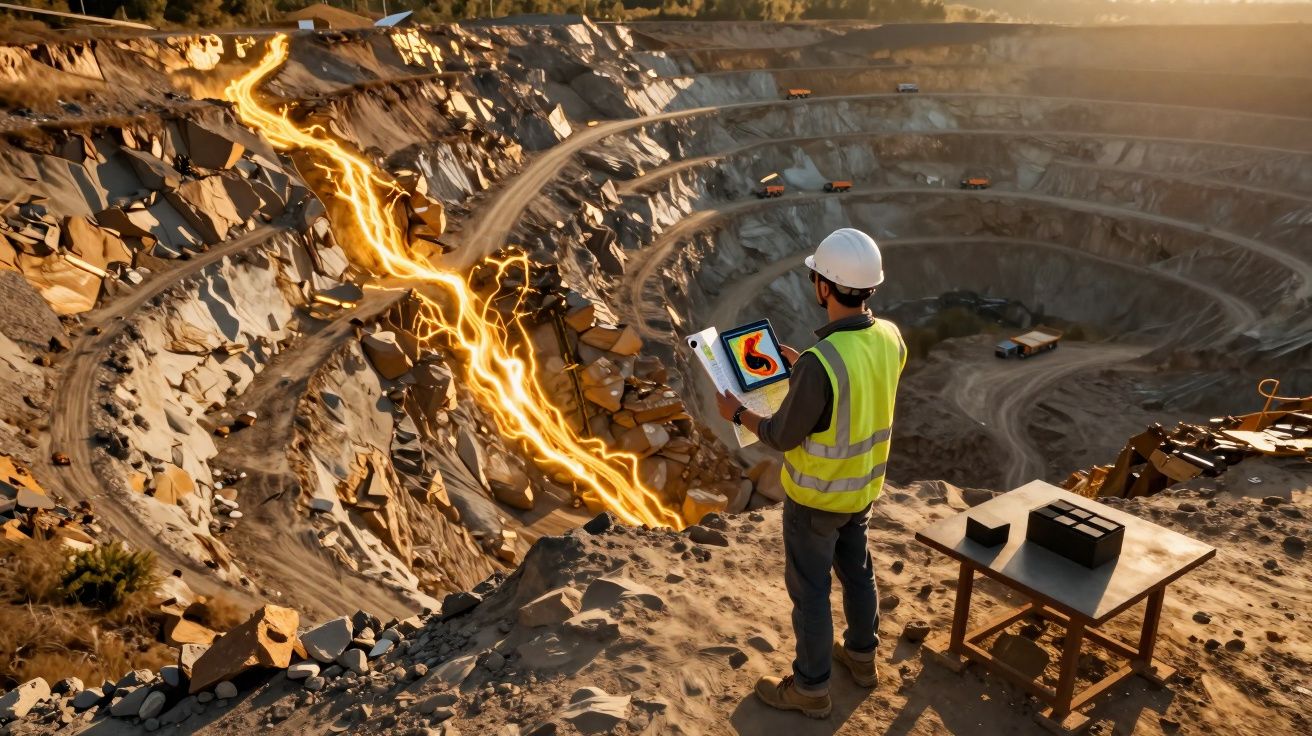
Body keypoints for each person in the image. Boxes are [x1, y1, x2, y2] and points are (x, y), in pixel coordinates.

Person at [716, 227, 905, 719]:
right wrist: (803, 370)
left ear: (824, 286)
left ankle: (811, 688)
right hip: (862, 489)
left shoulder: (821, 364)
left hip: (816, 499)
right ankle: (862, 657)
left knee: (812, 593)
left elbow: (780, 435)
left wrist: (737, 412)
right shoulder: (890, 338)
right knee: (858, 573)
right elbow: (856, 388)